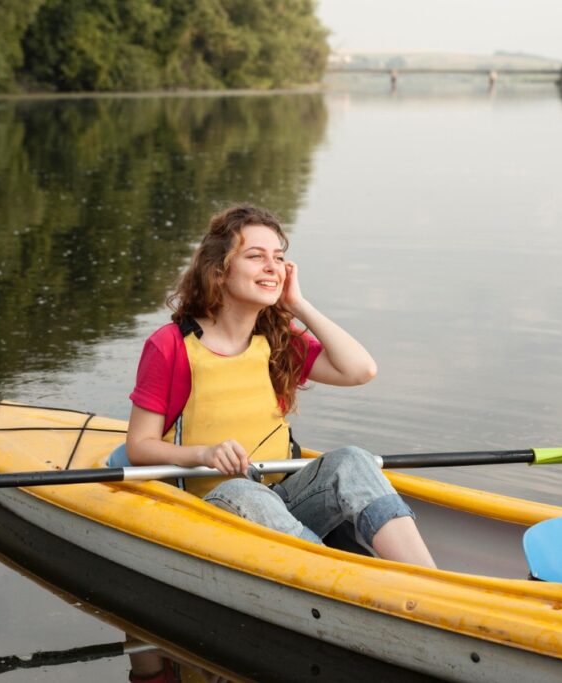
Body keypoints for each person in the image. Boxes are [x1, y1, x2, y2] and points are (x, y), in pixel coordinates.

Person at [117, 204, 435, 568]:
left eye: (279, 257)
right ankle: (343, 580)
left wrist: (298, 305)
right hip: (211, 508)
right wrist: (204, 454)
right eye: (255, 256)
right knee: (246, 492)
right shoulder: (170, 345)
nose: (273, 267)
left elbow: (360, 370)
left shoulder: (278, 339)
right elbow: (139, 446)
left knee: (352, 460)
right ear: (219, 271)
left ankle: (428, 580)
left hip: (282, 498)